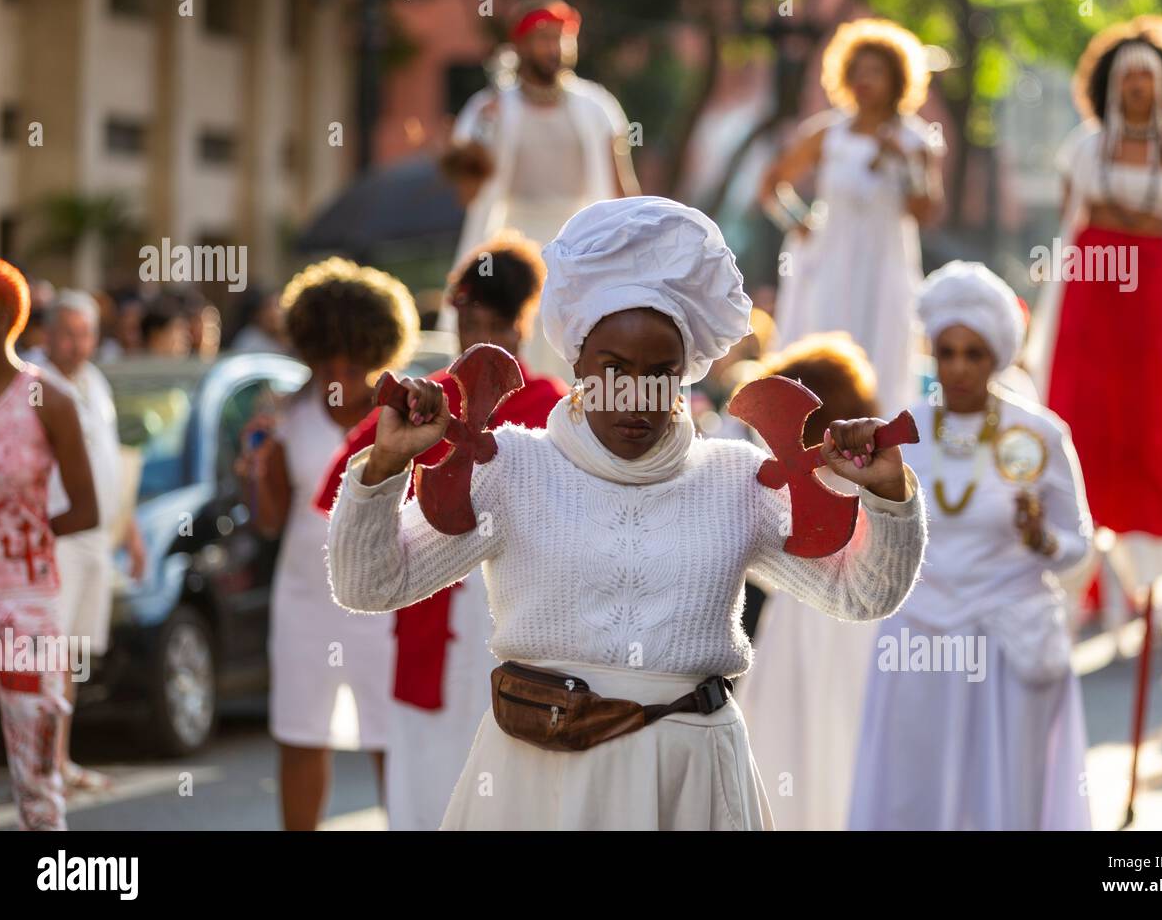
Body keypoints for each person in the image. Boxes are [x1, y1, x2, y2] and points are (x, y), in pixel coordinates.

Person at [326, 196, 926, 830]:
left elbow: (863, 596)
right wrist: (385, 465)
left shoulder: (738, 481)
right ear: (578, 362)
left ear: (686, 376)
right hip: (540, 780)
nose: (638, 394)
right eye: (614, 368)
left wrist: (889, 498)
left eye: (661, 372)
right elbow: (370, 584)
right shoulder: (511, 468)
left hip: (692, 785)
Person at [314, 231, 566, 830]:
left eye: (474, 318)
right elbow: (343, 495)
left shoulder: (544, 410)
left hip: (505, 632)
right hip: (455, 629)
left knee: (463, 796)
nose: (470, 334)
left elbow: (335, 501)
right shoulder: (437, 402)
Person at [850, 261, 1093, 830]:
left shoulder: (1041, 433)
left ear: (998, 357)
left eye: (974, 353)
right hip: (918, 642)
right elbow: (874, 534)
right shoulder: (901, 432)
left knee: (1005, 797)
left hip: (1007, 645)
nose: (958, 367)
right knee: (914, 789)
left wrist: (1041, 541)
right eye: (947, 351)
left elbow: (1078, 544)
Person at [1026, 16, 1162, 613]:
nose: (1137, 87)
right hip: (1093, 290)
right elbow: (1083, 220)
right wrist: (1128, 219)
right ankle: (1073, 567)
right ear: (1113, 82)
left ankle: (1151, 585)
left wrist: (1119, 214)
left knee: (1150, 414)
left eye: (1147, 77)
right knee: (1082, 411)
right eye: (1129, 76)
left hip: (1155, 294)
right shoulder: (1083, 147)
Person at [240, 257, 419, 831]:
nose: (338, 367)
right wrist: (256, 468)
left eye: (353, 353)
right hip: (305, 600)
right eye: (327, 354)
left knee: (392, 741)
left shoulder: (405, 414)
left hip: (386, 600)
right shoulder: (283, 415)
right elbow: (268, 521)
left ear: (377, 351)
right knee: (300, 735)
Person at [441, 0, 639, 381]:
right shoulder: (488, 110)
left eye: (562, 38)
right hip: (511, 250)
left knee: (575, 353)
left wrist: (636, 243)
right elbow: (467, 195)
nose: (555, 47)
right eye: (544, 37)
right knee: (516, 351)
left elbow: (622, 190)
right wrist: (480, 139)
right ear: (519, 45)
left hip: (580, 248)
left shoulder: (598, 107)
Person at [731, 331, 883, 830]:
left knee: (790, 741)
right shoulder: (864, 482)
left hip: (809, 622)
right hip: (851, 629)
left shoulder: (806, 486)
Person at [758, 17, 944, 412]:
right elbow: (772, 185)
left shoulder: (916, 140)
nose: (865, 80)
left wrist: (906, 166)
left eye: (875, 70)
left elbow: (926, 212)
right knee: (822, 344)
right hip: (830, 260)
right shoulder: (828, 134)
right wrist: (798, 223)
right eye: (857, 70)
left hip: (886, 261)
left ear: (896, 78)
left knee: (884, 348)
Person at [0, 259, 98, 831]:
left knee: (36, 777)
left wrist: (25, 535)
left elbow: (87, 507)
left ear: (5, 315)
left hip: (28, 608)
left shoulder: (47, 400)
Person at [30, 290, 148, 792]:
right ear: (48, 335)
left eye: (86, 335)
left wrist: (131, 533)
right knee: (45, 657)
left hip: (97, 540)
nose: (78, 345)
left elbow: (109, 464)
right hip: (54, 540)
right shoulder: (31, 385)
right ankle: (38, 765)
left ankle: (59, 759)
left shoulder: (95, 381)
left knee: (74, 654)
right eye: (69, 334)